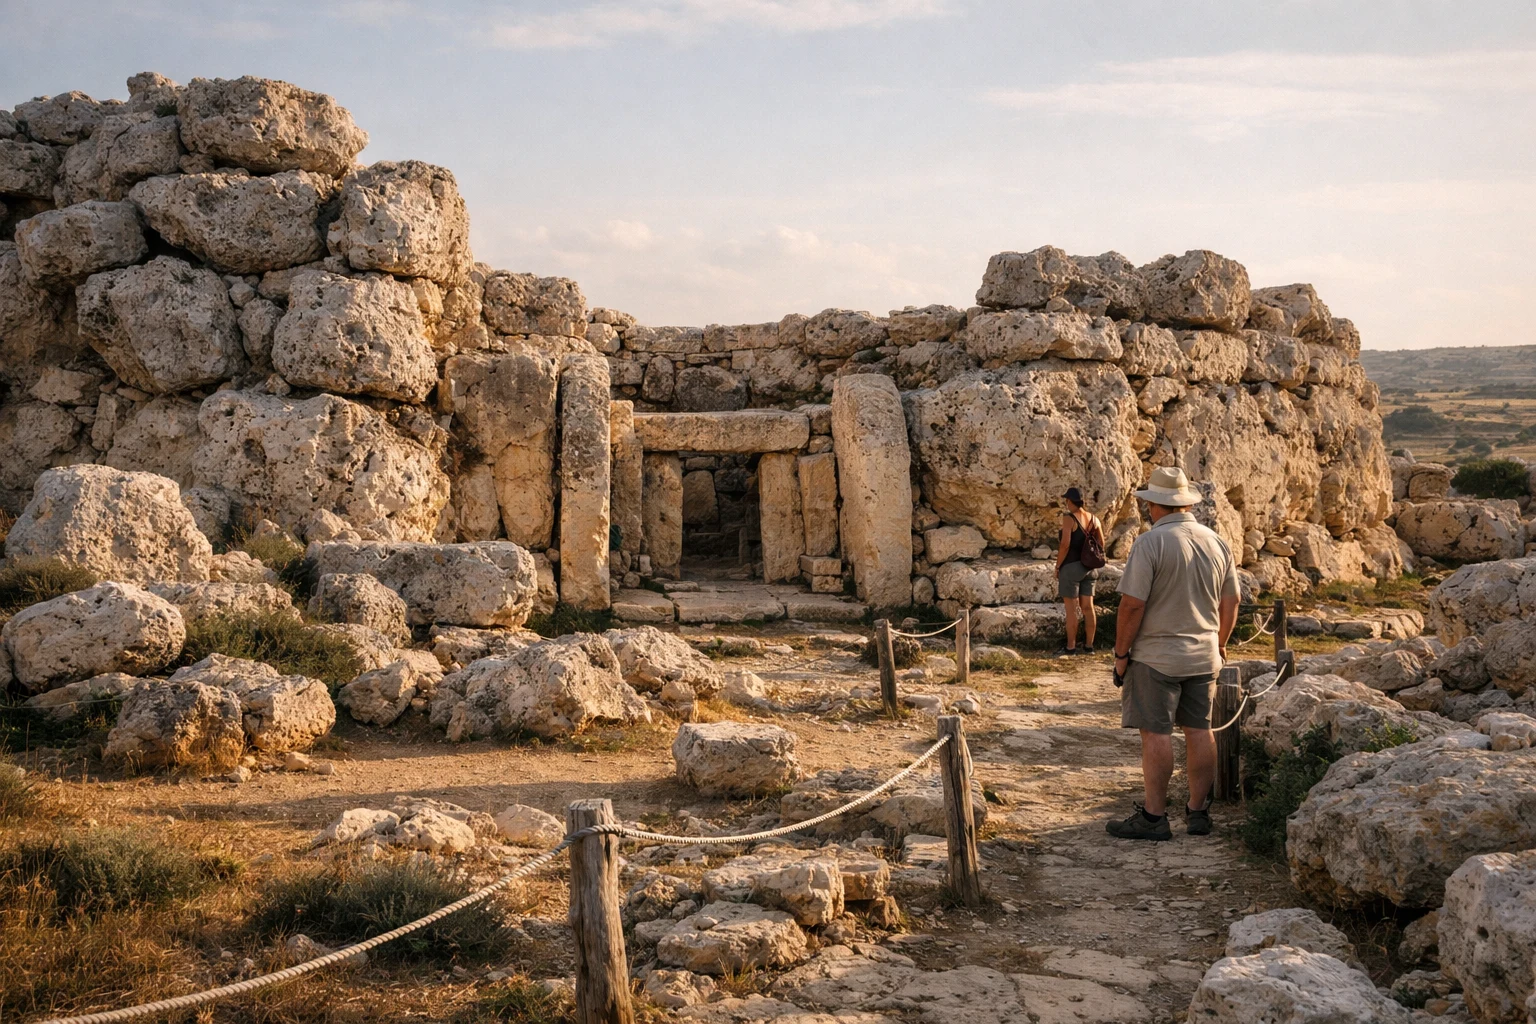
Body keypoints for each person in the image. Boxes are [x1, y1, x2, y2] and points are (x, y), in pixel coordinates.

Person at [1106, 466, 1239, 841]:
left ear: (1155, 506)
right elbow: (1233, 600)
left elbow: (1132, 606)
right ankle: (1198, 812)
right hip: (1204, 654)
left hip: (1156, 657)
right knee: (1201, 731)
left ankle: (1153, 817)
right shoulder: (1216, 541)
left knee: (1156, 734)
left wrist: (1120, 655)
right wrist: (1221, 642)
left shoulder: (1150, 544)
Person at [1053, 486, 1100, 656]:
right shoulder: (1095, 519)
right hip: (1090, 568)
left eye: (1066, 500)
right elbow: (1101, 543)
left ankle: (1071, 647)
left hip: (1071, 568)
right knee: (1088, 608)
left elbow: (1065, 544)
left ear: (1070, 501)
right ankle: (1089, 646)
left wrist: (1058, 566)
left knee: (1071, 610)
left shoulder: (1069, 519)